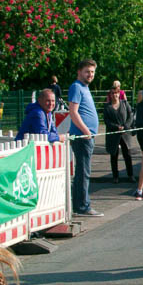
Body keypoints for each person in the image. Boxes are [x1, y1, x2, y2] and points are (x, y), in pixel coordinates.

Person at [63, 60, 101, 217]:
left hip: (86, 136)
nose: (90, 75)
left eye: (92, 72)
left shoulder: (84, 88)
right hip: (82, 137)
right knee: (83, 172)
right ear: (79, 72)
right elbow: (73, 112)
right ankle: (83, 206)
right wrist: (86, 131)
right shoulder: (76, 87)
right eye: (87, 71)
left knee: (82, 171)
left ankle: (79, 204)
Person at [103, 81, 135, 183]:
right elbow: (106, 121)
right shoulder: (107, 107)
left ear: (119, 93)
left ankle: (130, 175)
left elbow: (131, 115)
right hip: (113, 134)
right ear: (110, 94)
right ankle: (115, 177)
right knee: (114, 155)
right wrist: (116, 127)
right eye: (112, 93)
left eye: (116, 93)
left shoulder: (124, 104)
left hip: (125, 134)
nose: (114, 95)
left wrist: (126, 126)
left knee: (127, 155)